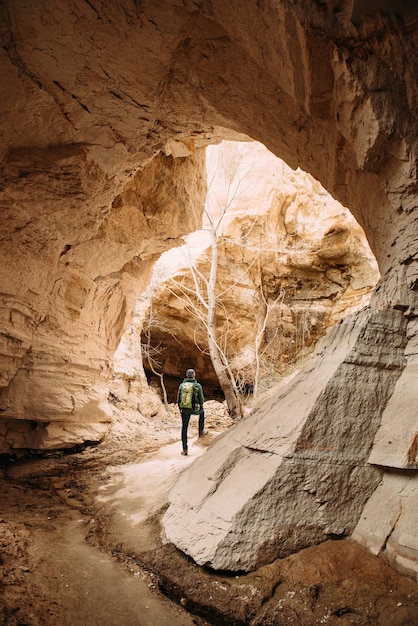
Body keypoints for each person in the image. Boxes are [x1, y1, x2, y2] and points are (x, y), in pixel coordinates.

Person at [177, 368, 206, 456]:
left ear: (186, 376)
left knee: (184, 428)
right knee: (202, 413)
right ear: (194, 376)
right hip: (194, 409)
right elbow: (201, 399)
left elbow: (178, 399)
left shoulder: (182, 385)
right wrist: (200, 406)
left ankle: (185, 449)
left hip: (184, 409)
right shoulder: (198, 385)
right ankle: (201, 431)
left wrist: (180, 409)